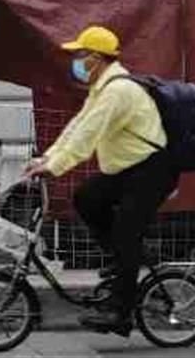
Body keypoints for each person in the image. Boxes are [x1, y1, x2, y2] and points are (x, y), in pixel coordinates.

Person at [23, 25, 178, 336]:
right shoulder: (104, 88)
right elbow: (77, 126)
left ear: (95, 58)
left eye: (80, 55)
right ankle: (122, 264)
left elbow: (87, 136)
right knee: (87, 199)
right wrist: (48, 159)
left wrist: (56, 168)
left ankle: (120, 314)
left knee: (125, 232)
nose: (76, 62)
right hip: (130, 169)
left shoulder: (118, 91)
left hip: (152, 170)